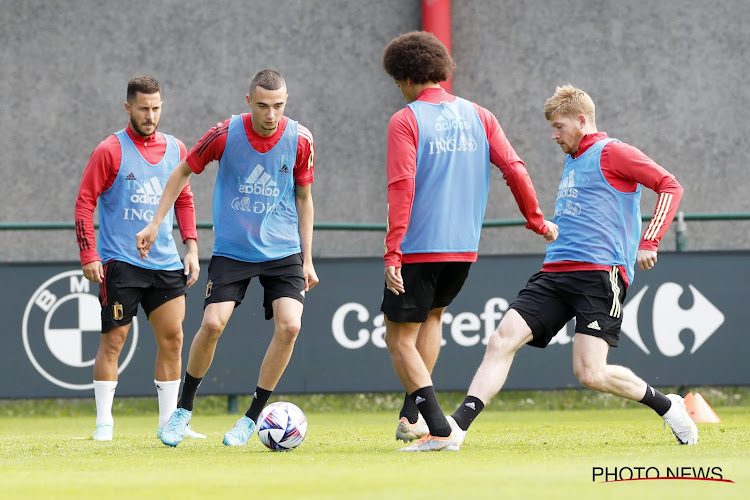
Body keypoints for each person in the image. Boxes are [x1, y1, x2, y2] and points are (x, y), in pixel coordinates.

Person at [443, 84, 696, 451]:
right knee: (500, 340)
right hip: (555, 271)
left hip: (599, 275)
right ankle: (456, 430)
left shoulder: (614, 152)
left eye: (559, 126)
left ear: (582, 120)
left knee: (590, 373)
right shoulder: (574, 157)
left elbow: (670, 186)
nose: (554, 134)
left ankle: (668, 405)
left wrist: (650, 240)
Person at [380, 31, 558, 452]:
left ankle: (439, 429)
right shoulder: (481, 115)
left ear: (406, 77)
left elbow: (401, 187)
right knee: (433, 319)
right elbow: (514, 168)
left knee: (398, 338)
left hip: (418, 246)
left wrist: (393, 250)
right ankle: (413, 414)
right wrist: (535, 220)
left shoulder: (405, 119)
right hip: (462, 249)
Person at [136, 69, 318, 448]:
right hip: (233, 250)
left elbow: (303, 198)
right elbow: (182, 171)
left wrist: (307, 259)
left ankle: (252, 418)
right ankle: (183, 411)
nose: (271, 115)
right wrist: (156, 223)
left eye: (279, 106)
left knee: (290, 326)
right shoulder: (224, 134)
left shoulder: (300, 139)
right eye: (264, 105)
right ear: (248, 100)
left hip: (283, 250)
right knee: (213, 323)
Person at [74, 75, 205, 442]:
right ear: (128, 107)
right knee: (113, 341)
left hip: (166, 264)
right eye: (144, 108)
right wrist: (89, 253)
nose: (151, 115)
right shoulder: (110, 150)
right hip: (121, 262)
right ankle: (104, 423)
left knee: (174, 339)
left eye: (157, 108)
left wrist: (191, 247)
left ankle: (168, 425)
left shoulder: (177, 149)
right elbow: (85, 201)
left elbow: (184, 198)